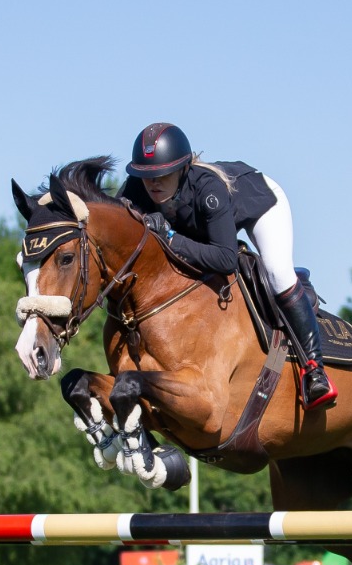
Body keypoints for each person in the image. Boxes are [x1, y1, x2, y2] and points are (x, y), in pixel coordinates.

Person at [119, 122, 337, 410]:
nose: (153, 183)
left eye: (162, 174)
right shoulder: (136, 190)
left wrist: (170, 238)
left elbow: (225, 258)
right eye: (146, 175)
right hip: (210, 227)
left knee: (277, 273)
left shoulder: (208, 191)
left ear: (183, 169)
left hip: (259, 202)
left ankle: (314, 369)